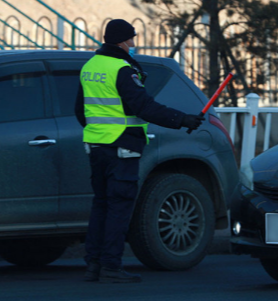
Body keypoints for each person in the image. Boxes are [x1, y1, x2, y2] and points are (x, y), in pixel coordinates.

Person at [74, 19, 204, 284]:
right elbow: (143, 107)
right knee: (119, 208)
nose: (133, 44)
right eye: (131, 40)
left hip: (96, 146)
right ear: (122, 41)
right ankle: (111, 266)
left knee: (101, 205)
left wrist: (99, 132)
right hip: (122, 147)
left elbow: (80, 110)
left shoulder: (90, 66)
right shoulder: (122, 69)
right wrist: (182, 119)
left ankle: (94, 265)